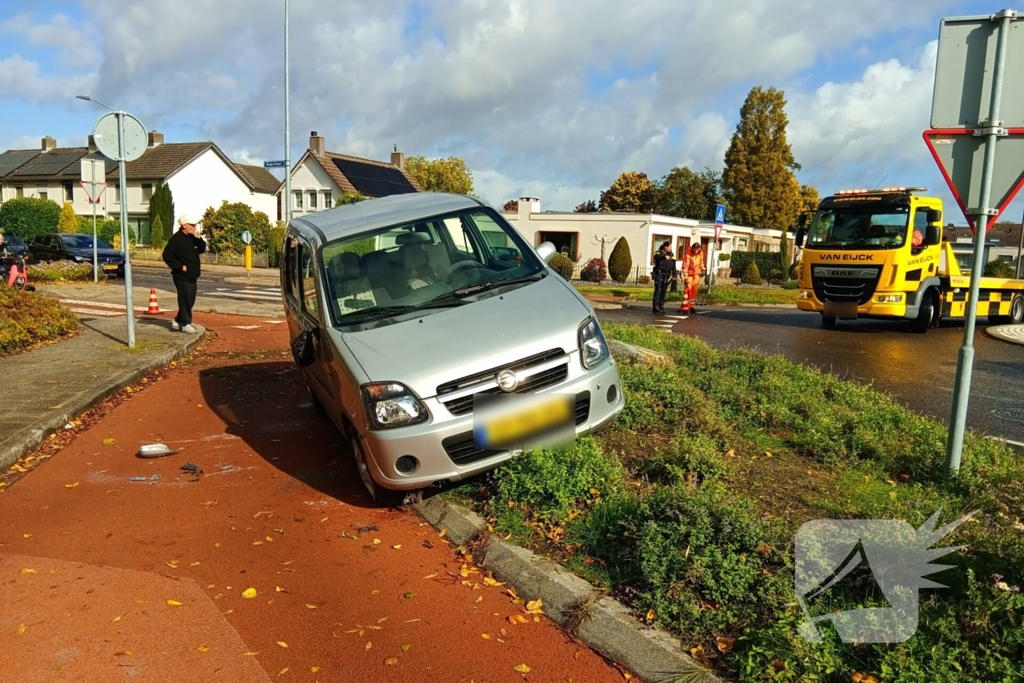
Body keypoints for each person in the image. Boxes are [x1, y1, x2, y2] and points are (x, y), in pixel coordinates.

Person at [162, 215, 207, 333]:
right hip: (181, 275)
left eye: (194, 225)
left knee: (190, 300)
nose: (194, 227)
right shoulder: (176, 239)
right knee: (185, 299)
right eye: (192, 225)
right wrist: (180, 266)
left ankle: (178, 320)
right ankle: (186, 323)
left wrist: (199, 238)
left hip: (193, 275)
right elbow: (167, 256)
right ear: (184, 226)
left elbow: (202, 249)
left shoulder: (192, 237)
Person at [678, 243, 705, 315]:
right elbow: (685, 267)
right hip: (689, 275)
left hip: (696, 275)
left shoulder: (700, 253)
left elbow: (701, 262)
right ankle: (686, 306)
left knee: (694, 290)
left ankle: (691, 306)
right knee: (688, 290)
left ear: (699, 248)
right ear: (693, 248)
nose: (696, 251)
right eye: (695, 249)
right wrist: (686, 278)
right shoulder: (687, 255)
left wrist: (703, 269)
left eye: (697, 249)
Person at [651, 241, 675, 315]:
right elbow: (656, 257)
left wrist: (674, 275)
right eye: (669, 247)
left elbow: (674, 264)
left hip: (667, 275)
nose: (670, 248)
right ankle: (655, 306)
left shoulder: (672, 254)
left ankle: (661, 305)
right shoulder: (659, 252)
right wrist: (664, 256)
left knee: (664, 291)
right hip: (659, 274)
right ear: (665, 246)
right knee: (658, 289)